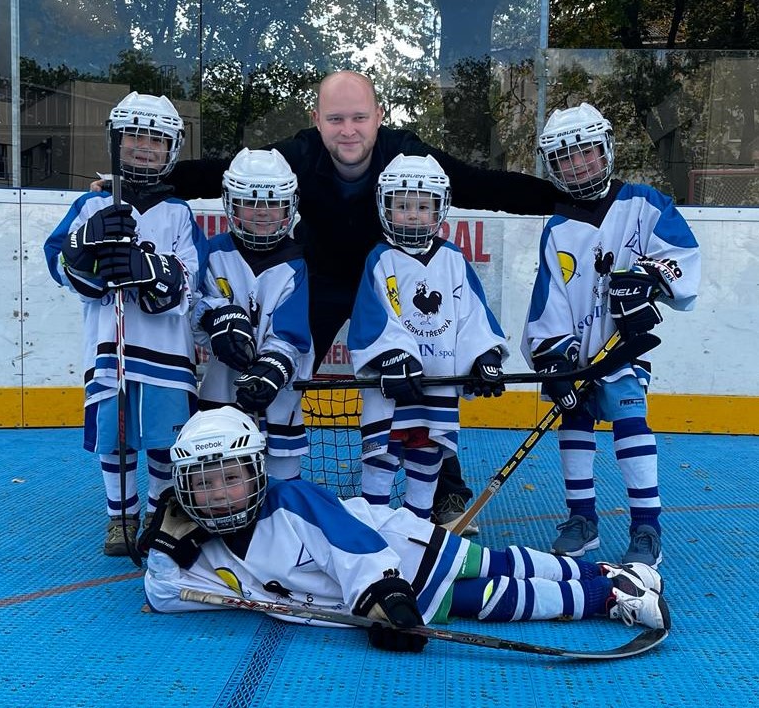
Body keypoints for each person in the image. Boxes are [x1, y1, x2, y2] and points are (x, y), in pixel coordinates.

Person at [151, 70, 577, 532]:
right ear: (317, 120)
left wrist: (568, 201)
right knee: (280, 363)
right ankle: (226, 473)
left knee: (426, 376)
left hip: (390, 278)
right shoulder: (298, 153)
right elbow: (220, 172)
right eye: (335, 119)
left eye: (359, 117)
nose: (348, 129)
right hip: (319, 276)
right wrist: (143, 184)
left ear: (379, 118)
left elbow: (481, 185)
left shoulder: (408, 155)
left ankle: (446, 492)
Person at [140, 407, 670, 653]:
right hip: (363, 590)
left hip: (395, 546)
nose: (219, 494)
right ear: (182, 490)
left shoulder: (290, 500)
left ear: (256, 472)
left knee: (491, 564)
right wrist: (165, 548)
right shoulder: (196, 547)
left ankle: (603, 580)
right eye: (203, 484)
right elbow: (168, 596)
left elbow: (353, 546)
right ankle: (603, 597)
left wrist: (387, 600)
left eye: (231, 478)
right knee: (483, 598)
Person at [521, 102, 701, 568]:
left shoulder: (643, 204)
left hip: (622, 351)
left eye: (586, 153)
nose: (578, 165)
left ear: (605, 150)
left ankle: (646, 527)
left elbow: (681, 256)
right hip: (579, 354)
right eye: (565, 158)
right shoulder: (557, 228)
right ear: (553, 166)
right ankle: (581, 521)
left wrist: (647, 281)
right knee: (574, 423)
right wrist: (553, 360)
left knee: (630, 420)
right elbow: (549, 299)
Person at [45, 92, 209, 555]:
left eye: (155, 140)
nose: (143, 146)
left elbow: (190, 280)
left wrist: (151, 268)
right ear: (116, 140)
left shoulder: (179, 212)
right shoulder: (90, 207)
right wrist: (85, 253)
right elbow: (60, 263)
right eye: (134, 136)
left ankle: (159, 513)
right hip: (108, 348)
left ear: (171, 149)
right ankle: (121, 518)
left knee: (162, 440)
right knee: (115, 442)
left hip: (165, 351)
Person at [347, 154, 508, 520]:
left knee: (428, 450)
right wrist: (393, 357)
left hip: (437, 388)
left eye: (423, 205)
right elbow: (371, 315)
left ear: (440, 208)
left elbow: (472, 313)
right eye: (403, 205)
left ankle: (416, 527)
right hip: (393, 387)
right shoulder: (380, 258)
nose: (414, 214)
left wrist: (485, 355)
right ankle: (373, 524)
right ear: (385, 206)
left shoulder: (452, 258)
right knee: (383, 454)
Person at [193, 147, 314, 480]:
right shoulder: (214, 252)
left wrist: (272, 368)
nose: (262, 213)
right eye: (251, 202)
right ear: (232, 203)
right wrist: (216, 318)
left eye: (273, 203)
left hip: (278, 396)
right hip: (221, 387)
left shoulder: (294, 264)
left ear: (289, 206)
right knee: (221, 478)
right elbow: (191, 305)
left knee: (282, 484)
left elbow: (291, 332)